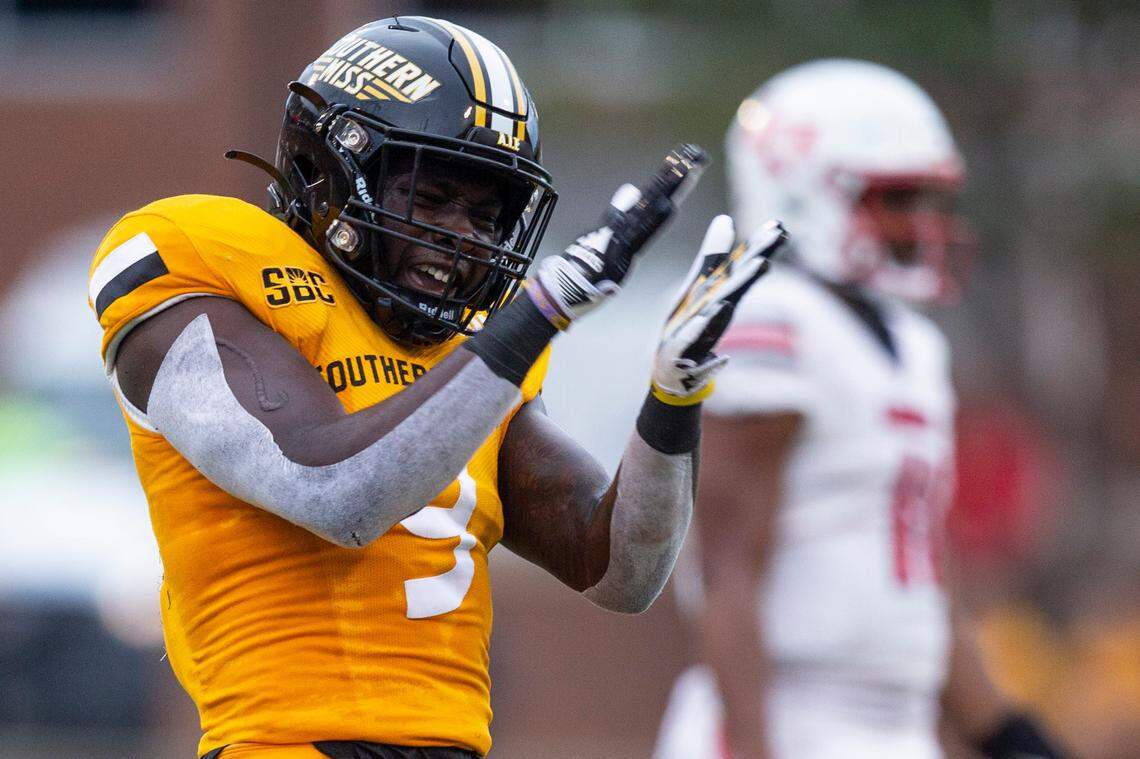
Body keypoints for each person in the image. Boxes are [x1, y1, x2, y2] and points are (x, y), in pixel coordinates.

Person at [87, 17, 783, 759]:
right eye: (432, 195)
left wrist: (673, 400)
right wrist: (540, 313)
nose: (464, 236)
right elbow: (335, 491)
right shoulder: (208, 265)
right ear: (327, 168)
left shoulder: (470, 359)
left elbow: (616, 565)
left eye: (487, 215)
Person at [653, 60, 1066, 759]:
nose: (921, 226)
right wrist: (749, 741)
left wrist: (1009, 734)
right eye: (896, 198)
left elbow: (919, 575)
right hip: (789, 712)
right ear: (801, 187)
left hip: (894, 724)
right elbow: (724, 565)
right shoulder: (771, 316)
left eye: (928, 201)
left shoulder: (913, 345)